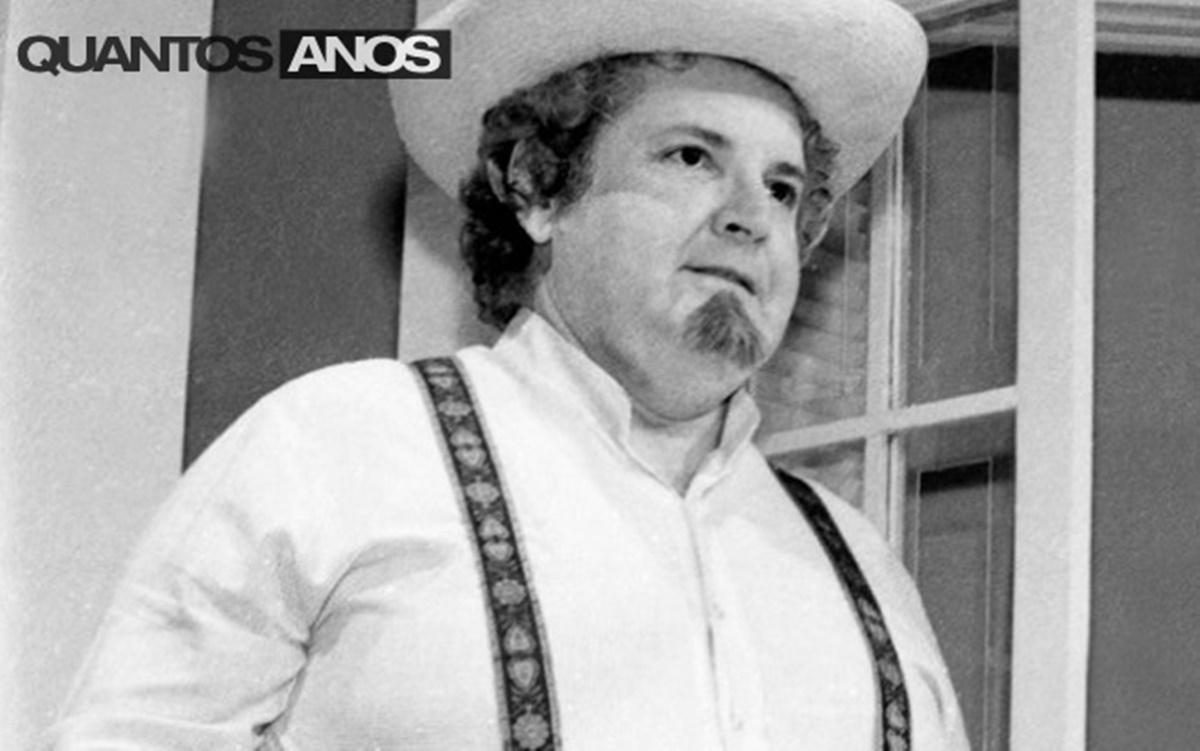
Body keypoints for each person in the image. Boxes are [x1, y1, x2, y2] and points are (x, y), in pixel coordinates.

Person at [51, 0, 969, 748]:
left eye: (783, 188)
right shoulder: (337, 447)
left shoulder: (860, 567)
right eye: (692, 157)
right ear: (536, 188)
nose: (752, 218)